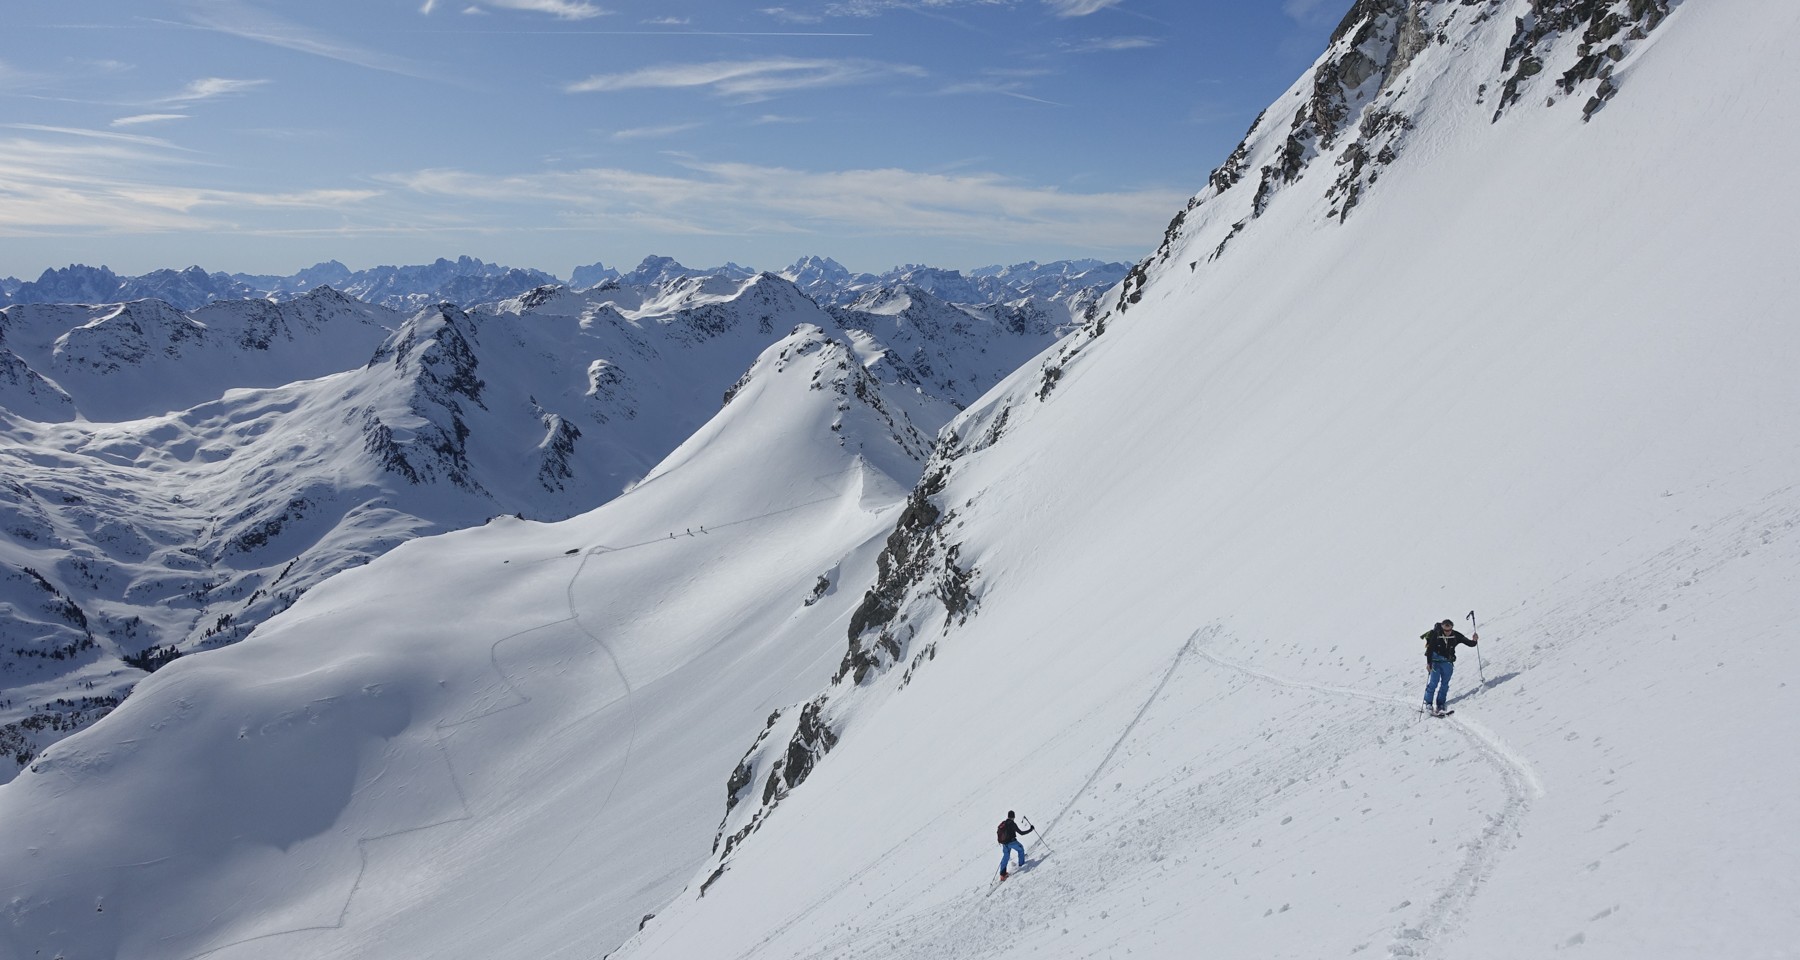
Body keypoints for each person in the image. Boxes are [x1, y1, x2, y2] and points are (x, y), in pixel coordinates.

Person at [1421, 619, 1477, 717]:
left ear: (1452, 628)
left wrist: (1474, 640)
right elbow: (1430, 649)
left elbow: (1470, 643)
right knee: (1433, 682)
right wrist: (1429, 663)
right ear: (1442, 628)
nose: (1447, 632)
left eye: (1449, 630)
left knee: (1445, 684)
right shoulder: (1437, 634)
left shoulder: (1456, 635)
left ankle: (1440, 704)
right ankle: (1428, 703)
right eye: (1445, 630)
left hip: (1447, 662)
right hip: (1435, 661)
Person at [996, 810, 1033, 879]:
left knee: (1006, 856)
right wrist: (1030, 829)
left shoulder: (1004, 823)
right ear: (1013, 816)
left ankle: (1002, 874)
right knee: (1021, 849)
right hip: (1012, 842)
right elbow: (1021, 833)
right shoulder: (1012, 823)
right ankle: (1021, 864)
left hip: (1004, 844)